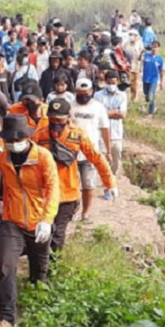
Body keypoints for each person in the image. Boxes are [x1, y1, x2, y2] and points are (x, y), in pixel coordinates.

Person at [0, 115, 59, 327]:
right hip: (12, 221)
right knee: (6, 267)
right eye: (9, 140)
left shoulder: (43, 158)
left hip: (39, 221)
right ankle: (7, 317)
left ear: (27, 138)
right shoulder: (4, 159)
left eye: (16, 139)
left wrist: (46, 220)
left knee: (39, 270)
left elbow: (53, 190)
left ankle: (39, 308)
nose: (12, 143)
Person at [32, 99, 116, 251]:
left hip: (67, 195)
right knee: (41, 235)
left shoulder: (77, 135)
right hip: (44, 194)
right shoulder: (40, 135)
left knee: (57, 235)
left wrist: (110, 183)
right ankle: (42, 269)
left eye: (59, 119)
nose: (55, 122)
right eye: (52, 119)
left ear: (68, 117)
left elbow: (96, 158)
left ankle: (55, 268)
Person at [71, 78, 110, 221]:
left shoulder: (98, 108)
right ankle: (73, 210)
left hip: (91, 153)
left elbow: (105, 129)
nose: (83, 96)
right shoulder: (70, 106)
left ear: (91, 92)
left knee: (88, 184)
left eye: (86, 93)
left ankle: (86, 212)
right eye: (80, 93)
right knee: (73, 185)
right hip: (72, 152)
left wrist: (108, 150)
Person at [95, 70, 128, 177]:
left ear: (117, 82)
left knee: (116, 157)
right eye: (109, 83)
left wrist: (106, 113)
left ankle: (113, 178)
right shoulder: (98, 95)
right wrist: (114, 111)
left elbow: (123, 114)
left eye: (113, 83)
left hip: (116, 132)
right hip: (101, 133)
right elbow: (97, 114)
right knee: (102, 158)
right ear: (105, 82)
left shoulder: (122, 95)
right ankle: (105, 179)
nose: (111, 85)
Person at [140, 41, 164, 117]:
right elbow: (139, 59)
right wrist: (141, 52)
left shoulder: (160, 59)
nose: (154, 48)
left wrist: (161, 82)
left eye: (156, 47)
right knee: (146, 95)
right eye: (153, 47)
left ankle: (150, 113)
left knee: (151, 95)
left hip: (153, 80)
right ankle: (153, 106)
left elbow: (161, 71)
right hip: (145, 79)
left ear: (159, 48)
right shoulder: (146, 55)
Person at [125, 29, 143, 102]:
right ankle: (132, 95)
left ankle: (135, 96)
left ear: (136, 36)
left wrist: (141, 66)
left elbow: (142, 56)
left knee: (135, 81)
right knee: (130, 81)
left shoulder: (139, 44)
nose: (131, 36)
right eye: (130, 35)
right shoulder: (126, 44)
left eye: (132, 35)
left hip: (137, 65)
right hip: (129, 65)